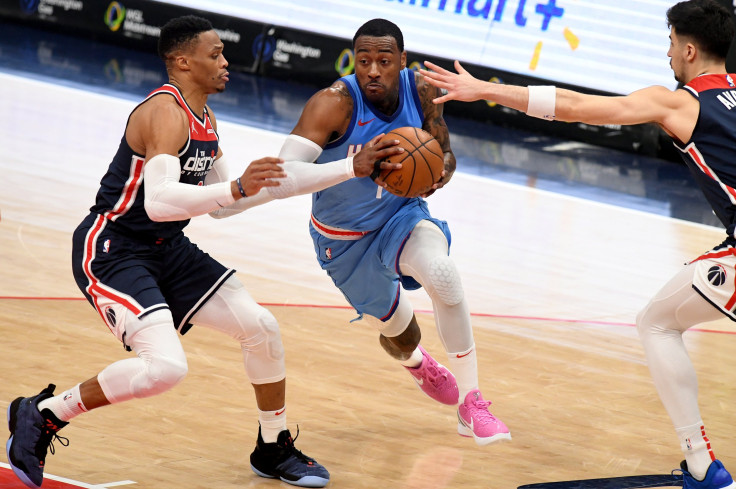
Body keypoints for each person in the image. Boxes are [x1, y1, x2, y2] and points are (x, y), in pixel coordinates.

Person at [4, 15, 404, 489]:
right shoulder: (164, 112)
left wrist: (348, 168)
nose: (225, 61)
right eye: (214, 53)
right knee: (165, 369)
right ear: (182, 61)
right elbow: (159, 201)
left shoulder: (205, 120)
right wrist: (235, 187)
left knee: (261, 328)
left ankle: (272, 447)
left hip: (166, 247)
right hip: (114, 250)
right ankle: (45, 413)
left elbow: (227, 205)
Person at [419, 1, 736, 487]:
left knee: (656, 323)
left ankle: (700, 463)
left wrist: (485, 90)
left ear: (690, 50)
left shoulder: (681, 102)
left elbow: (577, 107)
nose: (667, 52)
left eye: (671, 42)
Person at [278, 18, 511, 446]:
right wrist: (354, 165)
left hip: (401, 216)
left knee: (442, 273)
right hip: (342, 241)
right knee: (402, 337)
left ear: (400, 61)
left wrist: (434, 175)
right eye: (363, 60)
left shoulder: (421, 89)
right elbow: (284, 172)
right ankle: (418, 363)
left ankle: (472, 404)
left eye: (384, 61)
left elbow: (445, 153)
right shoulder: (333, 103)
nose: (372, 70)